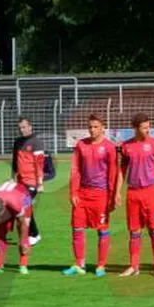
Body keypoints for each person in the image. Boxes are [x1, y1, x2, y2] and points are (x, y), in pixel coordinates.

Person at [63, 114, 119, 277]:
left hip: (101, 194)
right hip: (82, 194)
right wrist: (73, 191)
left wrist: (112, 196)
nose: (92, 130)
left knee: (102, 230)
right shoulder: (81, 145)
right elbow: (75, 170)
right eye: (90, 127)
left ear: (103, 128)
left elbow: (113, 173)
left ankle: (101, 266)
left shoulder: (109, 147)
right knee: (77, 227)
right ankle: (79, 264)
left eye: (96, 127)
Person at [116, 114, 154, 278]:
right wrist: (117, 191)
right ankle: (134, 266)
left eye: (148, 127)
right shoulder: (126, 146)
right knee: (134, 231)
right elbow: (122, 170)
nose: (148, 130)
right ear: (136, 128)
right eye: (144, 127)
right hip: (133, 193)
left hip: (151, 192)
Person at [0, 180, 33, 275]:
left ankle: (23, 265)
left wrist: (22, 242)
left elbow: (22, 224)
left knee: (24, 233)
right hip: (7, 197)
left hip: (23, 196)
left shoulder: (16, 203)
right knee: (1, 231)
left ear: (3, 208)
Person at [11, 117, 45, 247]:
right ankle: (32, 234)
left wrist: (40, 183)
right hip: (20, 182)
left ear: (30, 126)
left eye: (24, 127)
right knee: (22, 207)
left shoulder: (37, 142)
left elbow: (39, 164)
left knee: (24, 206)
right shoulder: (17, 142)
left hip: (32, 182)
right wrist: (12, 178)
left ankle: (34, 235)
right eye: (20, 128)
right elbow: (15, 162)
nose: (21, 130)